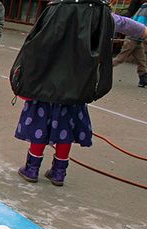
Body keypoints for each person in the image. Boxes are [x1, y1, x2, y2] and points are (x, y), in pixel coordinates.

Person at [14, 7, 147, 186]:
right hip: (75, 86)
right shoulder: (98, 13)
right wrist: (144, 31)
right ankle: (59, 173)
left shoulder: (56, 9)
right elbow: (122, 23)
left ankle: (32, 168)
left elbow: (34, 42)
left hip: (45, 82)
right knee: (65, 131)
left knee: (40, 126)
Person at [113, 1, 147, 87]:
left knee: (142, 60)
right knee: (120, 58)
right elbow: (140, 22)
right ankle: (100, 70)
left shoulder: (143, 6)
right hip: (133, 38)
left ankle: (143, 79)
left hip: (138, 39)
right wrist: (142, 33)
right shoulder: (145, 8)